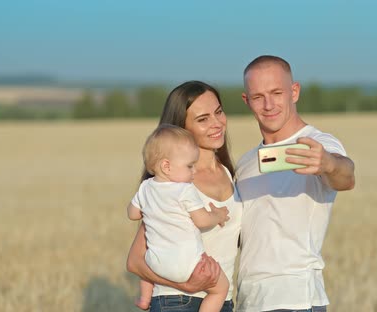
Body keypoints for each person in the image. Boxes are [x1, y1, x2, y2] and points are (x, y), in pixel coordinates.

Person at [235, 55, 356, 312]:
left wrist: (328, 164)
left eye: (277, 93)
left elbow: (346, 176)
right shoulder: (245, 164)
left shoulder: (316, 144)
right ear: (247, 101)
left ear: (295, 91)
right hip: (249, 300)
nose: (268, 105)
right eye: (258, 97)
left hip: (296, 298)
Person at [127, 81, 242, 312]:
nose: (216, 123)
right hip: (177, 301)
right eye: (203, 119)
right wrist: (185, 285)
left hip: (223, 302)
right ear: (182, 128)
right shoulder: (174, 184)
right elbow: (135, 261)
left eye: (218, 112)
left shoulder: (229, 173)